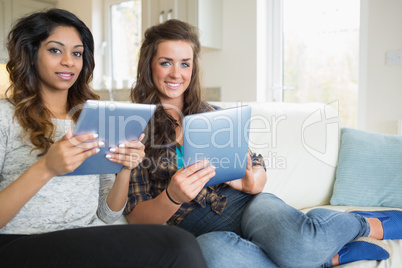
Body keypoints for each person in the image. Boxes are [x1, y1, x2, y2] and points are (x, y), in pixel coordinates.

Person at [124, 18, 402, 268]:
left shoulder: (213, 116)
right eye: (166, 62)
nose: (176, 73)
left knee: (300, 245)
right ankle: (323, 255)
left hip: (246, 204)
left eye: (185, 63)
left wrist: (254, 180)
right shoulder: (133, 127)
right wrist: (172, 196)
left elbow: (253, 162)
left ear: (193, 68)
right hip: (195, 227)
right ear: (150, 65)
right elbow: (135, 217)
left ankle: (364, 223)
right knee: (213, 257)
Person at [0, 9, 207, 268]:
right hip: (18, 242)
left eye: (77, 53)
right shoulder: (4, 117)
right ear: (30, 55)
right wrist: (46, 168)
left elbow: (108, 213)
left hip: (83, 238)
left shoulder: (95, 118)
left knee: (179, 244)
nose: (69, 61)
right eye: (55, 50)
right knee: (179, 245)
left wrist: (125, 169)